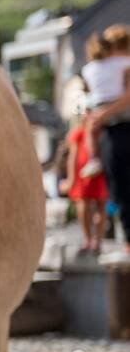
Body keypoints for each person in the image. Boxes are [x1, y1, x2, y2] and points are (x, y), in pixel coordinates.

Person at [86, 24, 130, 260]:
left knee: (121, 187)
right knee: (119, 189)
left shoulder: (121, 67)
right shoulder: (116, 68)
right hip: (112, 130)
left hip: (119, 129)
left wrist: (101, 115)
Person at [61, 100, 108, 256]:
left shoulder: (103, 131)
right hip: (84, 173)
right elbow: (72, 158)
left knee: (101, 206)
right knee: (84, 204)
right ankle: (88, 239)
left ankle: (97, 241)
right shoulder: (78, 133)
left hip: (101, 171)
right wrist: (71, 179)